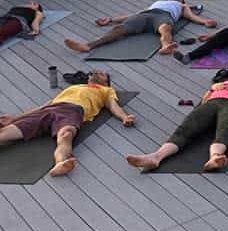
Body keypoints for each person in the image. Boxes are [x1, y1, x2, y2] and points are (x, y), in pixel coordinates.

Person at [125, 67, 228, 173]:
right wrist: (212, 90)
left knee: (225, 129)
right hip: (212, 103)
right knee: (185, 129)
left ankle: (215, 157)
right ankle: (155, 157)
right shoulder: (223, 82)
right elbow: (204, 101)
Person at [0, 70, 135, 177]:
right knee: (6, 133)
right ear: (89, 78)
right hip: (50, 109)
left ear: (107, 82)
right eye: (95, 72)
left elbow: (113, 106)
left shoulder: (106, 90)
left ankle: (60, 163)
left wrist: (124, 117)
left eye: (102, 74)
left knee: (65, 135)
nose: (97, 73)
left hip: (73, 110)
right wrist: (15, 118)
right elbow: (45, 105)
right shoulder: (74, 86)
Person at [64, 0, 216, 55]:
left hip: (163, 16)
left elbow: (191, 16)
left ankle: (166, 46)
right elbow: (133, 14)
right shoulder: (156, 1)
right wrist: (110, 20)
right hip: (146, 13)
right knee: (121, 29)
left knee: (166, 29)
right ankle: (88, 46)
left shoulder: (181, 5)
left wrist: (204, 22)